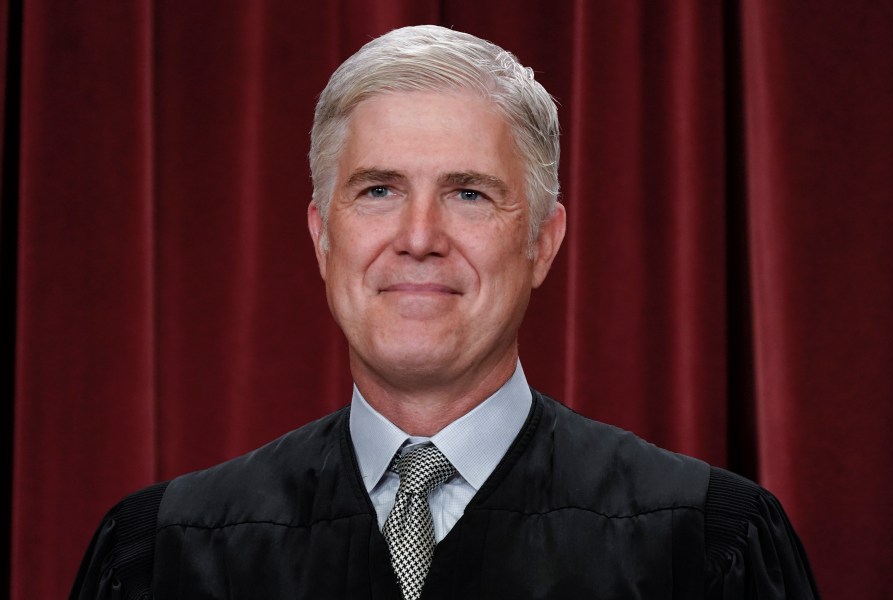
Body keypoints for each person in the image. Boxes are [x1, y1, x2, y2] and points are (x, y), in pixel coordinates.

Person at [70, 25, 819, 599]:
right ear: (322, 237)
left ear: (542, 242)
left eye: (469, 193)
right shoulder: (167, 557)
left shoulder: (705, 547)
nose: (420, 238)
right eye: (377, 190)